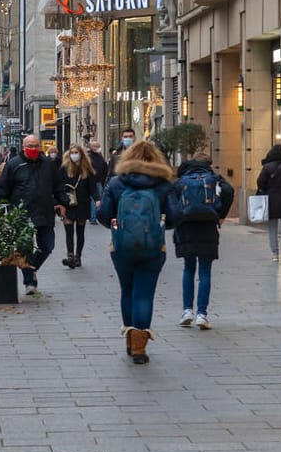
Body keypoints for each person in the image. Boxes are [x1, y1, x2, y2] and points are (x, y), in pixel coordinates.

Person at [95, 140, 174, 364]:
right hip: (153, 247)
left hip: (121, 246)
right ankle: (140, 346)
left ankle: (130, 339)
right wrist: (158, 225)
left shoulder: (117, 183)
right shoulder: (163, 184)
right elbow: (176, 216)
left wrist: (116, 225)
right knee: (144, 293)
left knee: (127, 290)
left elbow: (102, 215)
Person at [167, 151, 234, 330]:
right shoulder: (214, 178)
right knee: (205, 271)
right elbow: (229, 191)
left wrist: (176, 219)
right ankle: (202, 314)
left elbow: (170, 200)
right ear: (208, 164)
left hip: (185, 227)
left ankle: (186, 310)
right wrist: (221, 215)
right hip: (208, 226)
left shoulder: (181, 181)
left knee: (188, 268)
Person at [0, 133, 63, 298]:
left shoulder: (48, 165)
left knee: (48, 246)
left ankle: (30, 267)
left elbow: (58, 187)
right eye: (30, 146)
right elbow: (2, 190)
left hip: (44, 212)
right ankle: (29, 282)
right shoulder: (14, 165)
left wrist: (64, 202)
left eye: (35, 146)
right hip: (22, 214)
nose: (33, 149)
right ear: (23, 147)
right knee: (24, 248)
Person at [56, 144, 97, 268]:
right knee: (68, 231)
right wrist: (59, 202)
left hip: (82, 203)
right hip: (67, 203)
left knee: (80, 231)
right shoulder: (64, 168)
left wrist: (97, 199)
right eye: (72, 152)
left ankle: (78, 256)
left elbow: (92, 187)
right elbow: (58, 186)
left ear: (81, 154)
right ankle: (70, 256)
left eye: (76, 152)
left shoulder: (87, 169)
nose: (74, 155)